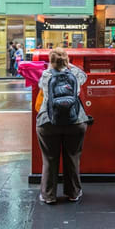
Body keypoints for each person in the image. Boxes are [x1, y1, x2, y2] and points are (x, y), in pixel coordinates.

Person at [36, 47, 88, 204]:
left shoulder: (46, 75)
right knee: (72, 157)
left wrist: (52, 67)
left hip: (48, 122)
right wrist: (69, 65)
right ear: (67, 60)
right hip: (75, 121)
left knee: (49, 159)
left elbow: (40, 86)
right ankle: (73, 193)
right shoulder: (75, 74)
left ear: (51, 61)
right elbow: (85, 77)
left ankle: (48, 196)